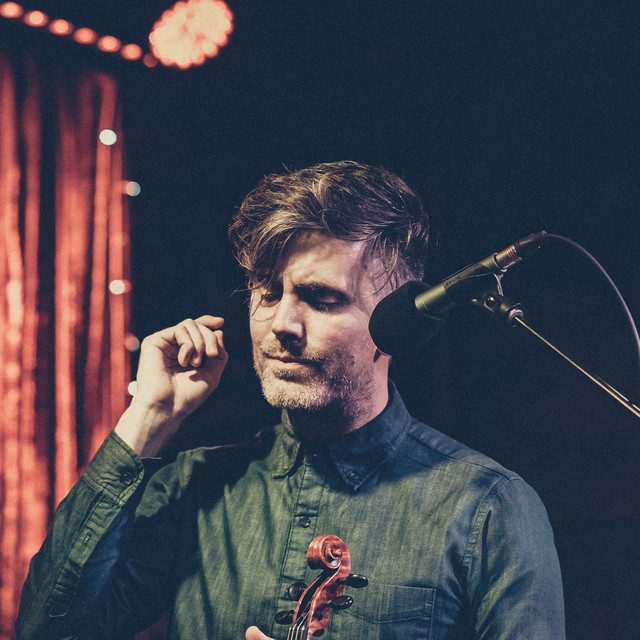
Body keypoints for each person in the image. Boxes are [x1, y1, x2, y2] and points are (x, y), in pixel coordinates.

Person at [16, 160, 565, 639]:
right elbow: (50, 630)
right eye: (267, 292)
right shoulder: (196, 488)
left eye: (320, 300)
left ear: (399, 325)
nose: (281, 323)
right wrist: (145, 420)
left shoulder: (486, 507)